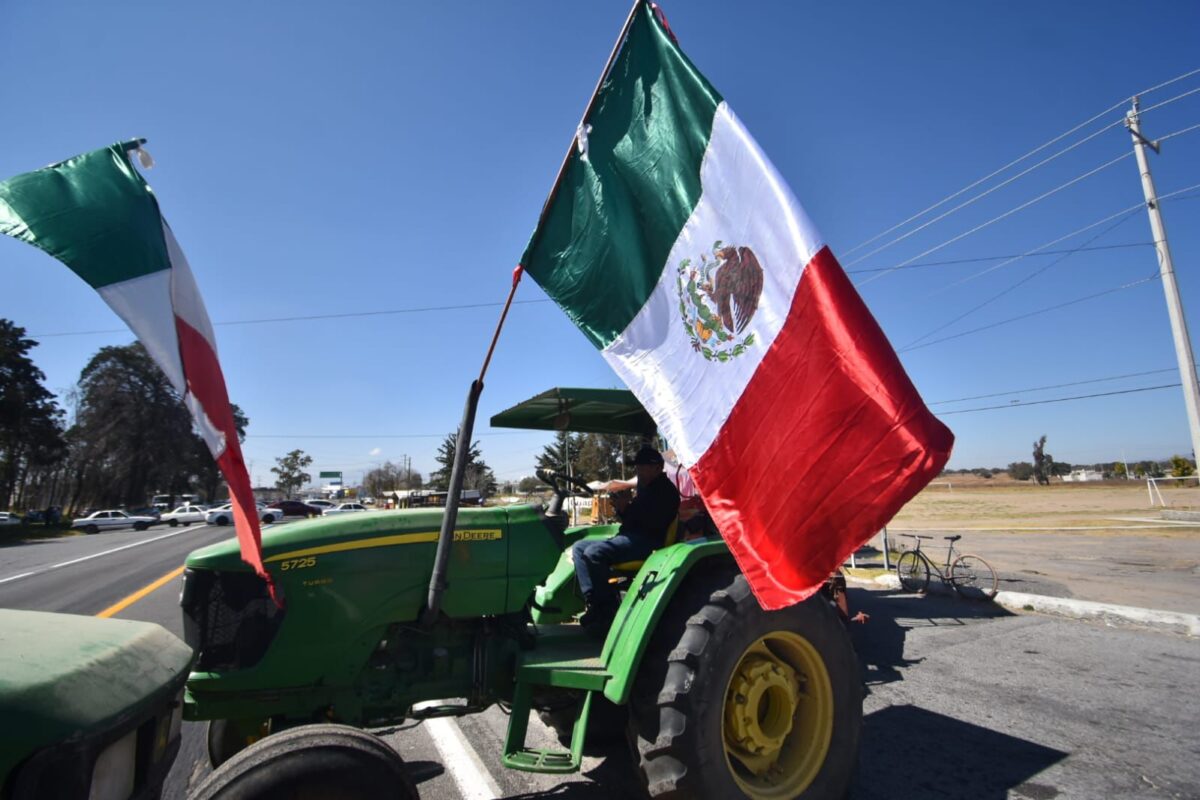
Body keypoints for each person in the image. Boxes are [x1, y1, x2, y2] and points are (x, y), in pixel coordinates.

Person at [574, 445, 679, 634]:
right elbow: (633, 520)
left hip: (647, 541)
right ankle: (593, 600)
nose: (637, 470)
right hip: (630, 536)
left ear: (657, 467)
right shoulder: (645, 489)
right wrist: (623, 509)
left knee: (594, 553)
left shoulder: (665, 492)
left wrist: (627, 508)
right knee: (579, 548)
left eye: (642, 467)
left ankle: (607, 609)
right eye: (637, 467)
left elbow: (652, 524)